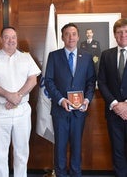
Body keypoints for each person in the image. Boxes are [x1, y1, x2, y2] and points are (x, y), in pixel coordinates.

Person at [0, 26, 41, 177]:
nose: (10, 40)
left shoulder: (26, 57)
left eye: (13, 37)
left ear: (17, 39)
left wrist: (17, 97)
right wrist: (9, 95)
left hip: (22, 111)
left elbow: (33, 80)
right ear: (1, 39)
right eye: (6, 37)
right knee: (0, 154)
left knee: (21, 152)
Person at [45, 23, 96, 177]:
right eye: (67, 34)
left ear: (78, 36)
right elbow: (48, 81)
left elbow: (91, 81)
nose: (71, 37)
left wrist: (86, 100)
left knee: (76, 147)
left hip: (79, 111)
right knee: (60, 148)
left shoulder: (86, 57)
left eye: (74, 34)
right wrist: (61, 100)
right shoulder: (54, 56)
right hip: (60, 110)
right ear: (62, 37)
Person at [98, 18, 127, 176]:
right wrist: (116, 104)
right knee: (117, 150)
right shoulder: (106, 55)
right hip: (113, 112)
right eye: (119, 32)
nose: (123, 35)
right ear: (115, 35)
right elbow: (101, 82)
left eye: (126, 31)